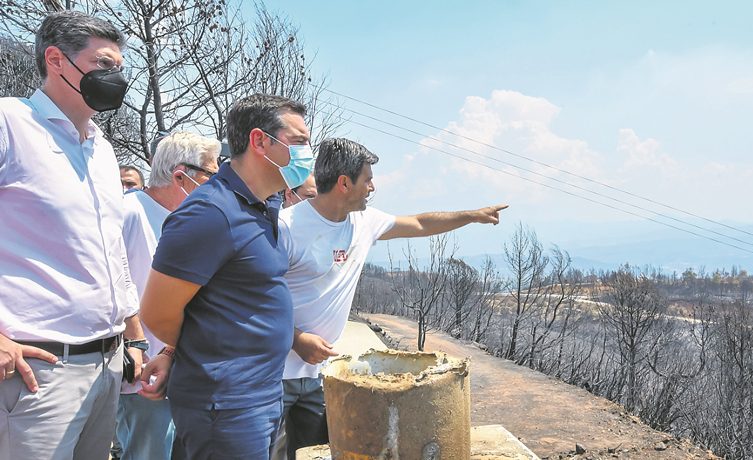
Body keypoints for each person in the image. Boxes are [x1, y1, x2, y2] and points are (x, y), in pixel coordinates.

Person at [273, 137, 508, 459]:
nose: (372, 187)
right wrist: (296, 338)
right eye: (367, 180)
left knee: (312, 452)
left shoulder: (363, 222)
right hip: (272, 371)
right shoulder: (286, 227)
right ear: (344, 182)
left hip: (319, 373)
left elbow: (421, 223)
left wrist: (471, 215)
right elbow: (251, 300)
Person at [0, 11, 146, 460]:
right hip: (39, 372)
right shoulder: (10, 122)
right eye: (104, 63)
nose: (115, 77)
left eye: (120, 67)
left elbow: (111, 255)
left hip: (106, 366)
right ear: (56, 60)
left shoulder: (101, 148)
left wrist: (134, 337)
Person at [139, 93, 314, 459]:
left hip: (260, 395)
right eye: (298, 142)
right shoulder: (210, 213)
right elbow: (157, 313)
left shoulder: (264, 205)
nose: (306, 153)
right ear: (260, 141)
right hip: (227, 404)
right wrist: (200, 353)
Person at [114, 132, 220, 460]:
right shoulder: (128, 212)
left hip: (175, 367)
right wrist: (134, 349)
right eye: (210, 175)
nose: (216, 185)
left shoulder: (188, 222)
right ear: (180, 175)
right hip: (137, 372)